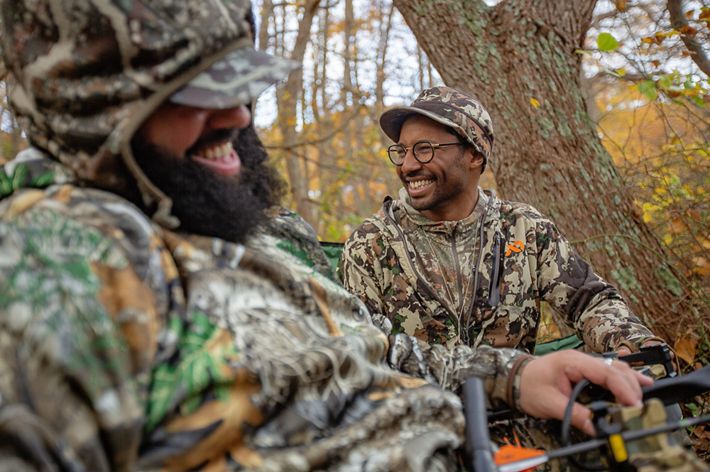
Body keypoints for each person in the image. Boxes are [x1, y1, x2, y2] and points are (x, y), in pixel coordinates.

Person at [0, 2, 659, 470]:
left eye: (240, 81)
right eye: (192, 90)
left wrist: (517, 373)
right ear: (91, 105)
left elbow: (367, 351)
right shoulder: (55, 265)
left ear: (477, 157)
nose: (237, 114)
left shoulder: (223, 225)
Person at [340, 86, 666, 358]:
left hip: (522, 417)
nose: (408, 165)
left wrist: (631, 342)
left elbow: (589, 301)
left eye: (424, 149)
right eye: (402, 150)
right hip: (422, 424)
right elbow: (361, 353)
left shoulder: (523, 228)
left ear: (475, 155)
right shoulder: (372, 244)